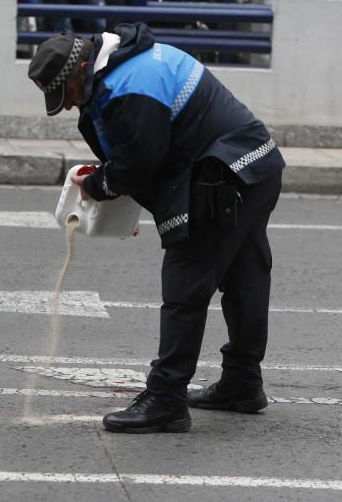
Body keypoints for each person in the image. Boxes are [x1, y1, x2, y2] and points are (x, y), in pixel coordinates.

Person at [27, 23, 286, 434]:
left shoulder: (130, 88)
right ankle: (242, 382)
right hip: (256, 163)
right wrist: (121, 199)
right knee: (244, 277)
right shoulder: (130, 61)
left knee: (186, 282)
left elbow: (139, 165)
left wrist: (98, 188)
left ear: (79, 69)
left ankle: (166, 398)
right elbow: (150, 157)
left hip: (224, 174)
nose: (70, 106)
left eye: (68, 95)